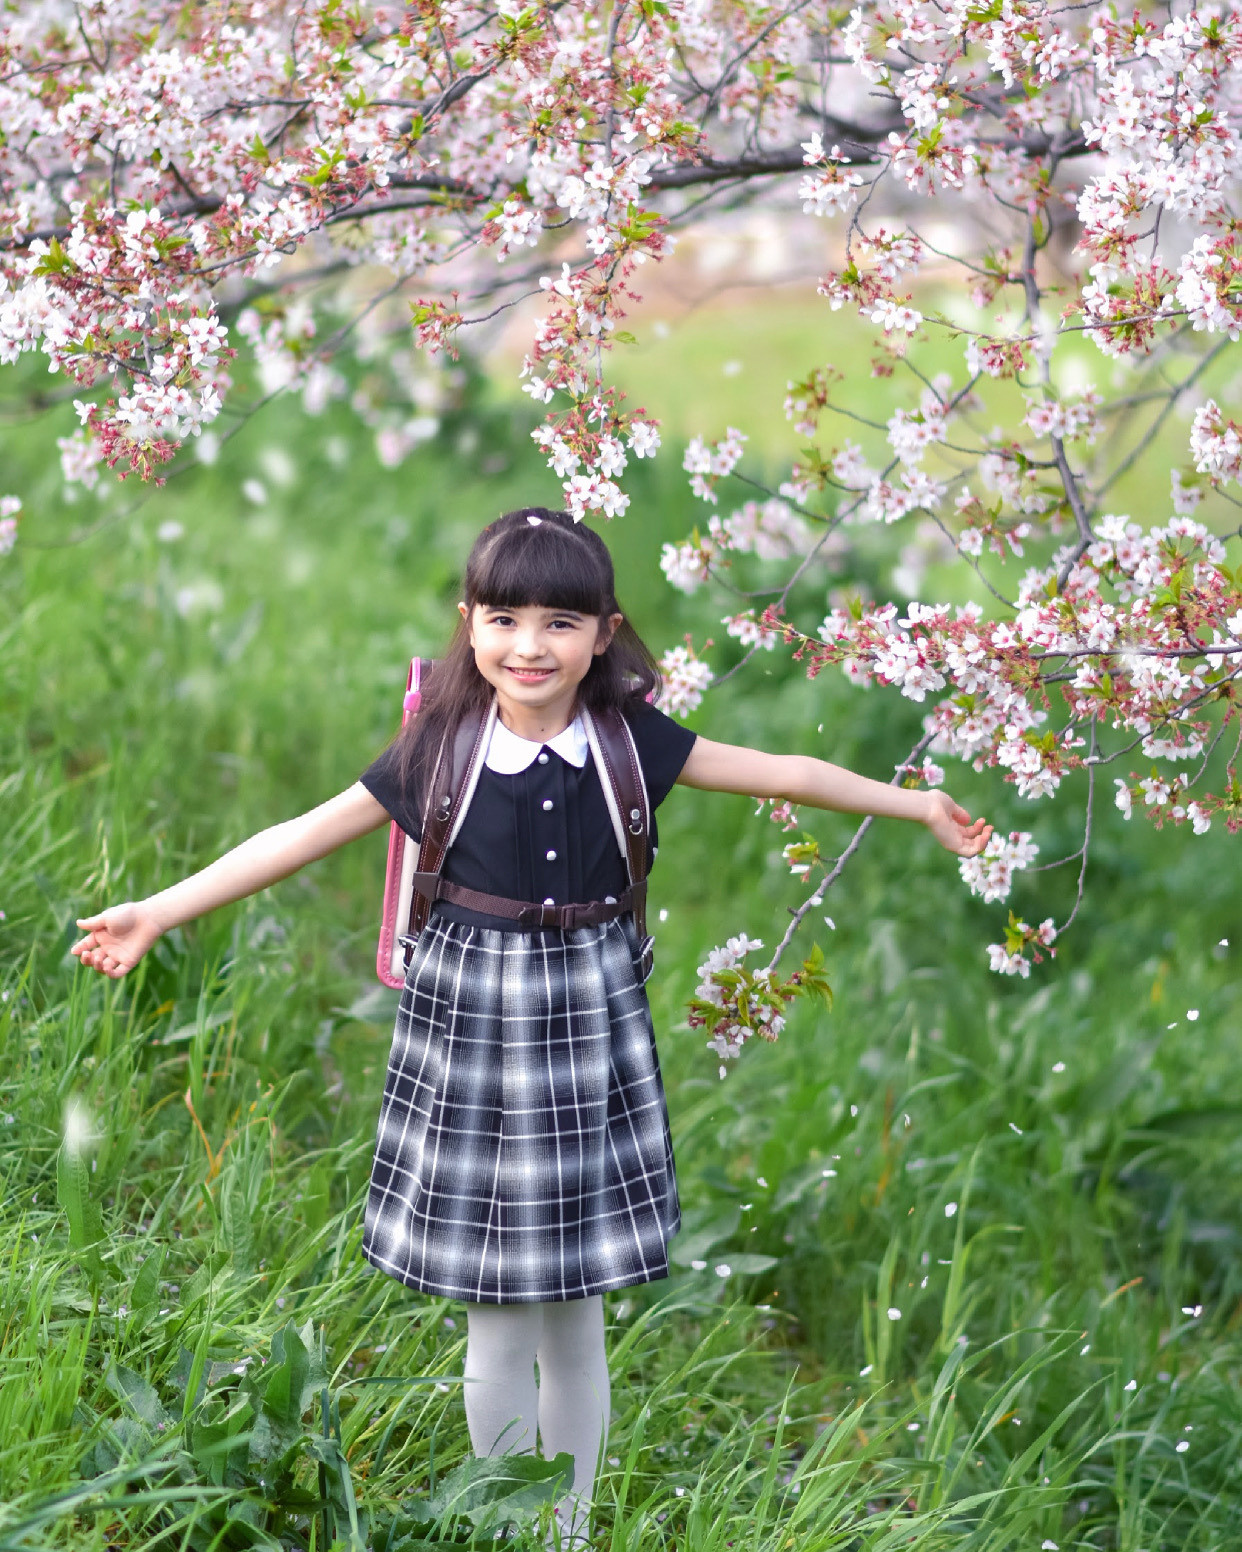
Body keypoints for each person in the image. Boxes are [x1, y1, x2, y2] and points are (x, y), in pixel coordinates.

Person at [72, 505, 991, 1547]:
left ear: (605, 632)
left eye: (560, 621)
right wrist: (160, 910)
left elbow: (786, 773)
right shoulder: (443, 750)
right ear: (470, 624)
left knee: (577, 1310)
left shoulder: (628, 743)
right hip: (471, 1030)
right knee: (496, 1312)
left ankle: (571, 1525)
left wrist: (913, 803)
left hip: (590, 1028)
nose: (529, 644)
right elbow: (301, 834)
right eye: (504, 617)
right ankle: (502, 1518)